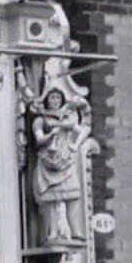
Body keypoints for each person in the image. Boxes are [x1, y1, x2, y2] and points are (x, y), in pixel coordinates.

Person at [31, 87, 88, 243]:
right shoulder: (40, 119)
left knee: (72, 198)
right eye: (52, 97)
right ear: (46, 99)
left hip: (66, 161)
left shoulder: (68, 117)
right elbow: (39, 139)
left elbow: (83, 130)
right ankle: (53, 234)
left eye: (57, 97)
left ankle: (75, 231)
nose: (55, 101)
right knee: (51, 201)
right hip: (48, 162)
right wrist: (51, 135)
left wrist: (75, 143)